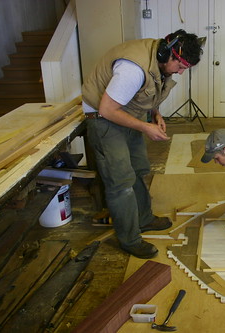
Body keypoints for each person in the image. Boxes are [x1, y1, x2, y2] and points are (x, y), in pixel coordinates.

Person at [82, 30, 203, 259]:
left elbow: (147, 93)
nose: (182, 72)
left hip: (127, 114)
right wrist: (146, 127)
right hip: (104, 120)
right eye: (181, 66)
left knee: (138, 170)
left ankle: (144, 219)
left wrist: (155, 114)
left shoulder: (158, 60)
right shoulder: (132, 70)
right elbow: (107, 110)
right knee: (121, 183)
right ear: (167, 54)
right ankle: (130, 240)